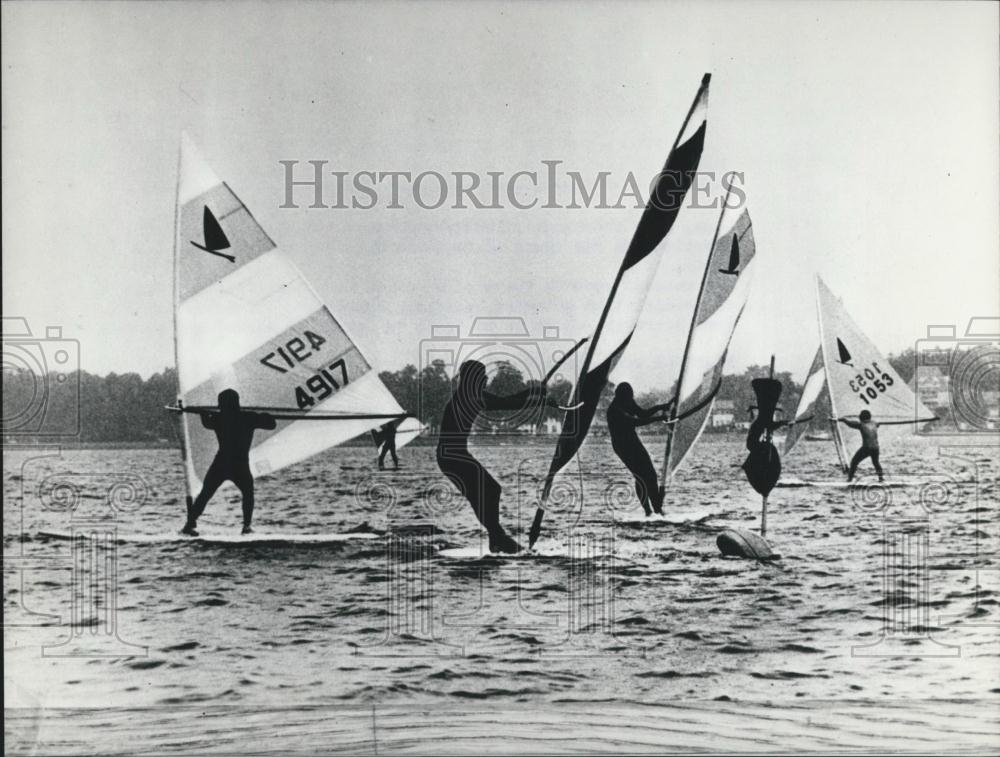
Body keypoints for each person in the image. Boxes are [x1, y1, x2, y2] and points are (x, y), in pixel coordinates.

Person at [437, 360, 554, 553]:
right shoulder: (468, 397)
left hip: (455, 455)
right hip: (452, 457)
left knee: (485, 493)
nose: (485, 379)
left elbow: (508, 403)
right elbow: (506, 403)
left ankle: (496, 536)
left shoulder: (471, 395)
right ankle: (496, 536)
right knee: (490, 490)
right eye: (481, 377)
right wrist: (532, 392)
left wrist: (535, 395)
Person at [182, 389, 277, 536]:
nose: (219, 406)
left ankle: (190, 524)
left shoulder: (219, 418)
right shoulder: (248, 417)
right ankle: (246, 527)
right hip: (239, 464)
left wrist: (202, 413)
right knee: (248, 494)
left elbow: (206, 423)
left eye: (220, 403)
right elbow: (272, 424)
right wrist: (266, 416)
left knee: (205, 494)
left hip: (222, 463)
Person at [606, 382, 674, 517]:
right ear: (621, 396)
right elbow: (634, 421)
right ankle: (648, 511)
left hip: (633, 441)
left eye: (631, 397)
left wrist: (662, 407)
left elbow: (642, 414)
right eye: (628, 397)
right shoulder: (614, 410)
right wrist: (659, 418)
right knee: (640, 477)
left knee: (651, 475)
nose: (631, 400)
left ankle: (656, 508)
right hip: (622, 446)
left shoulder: (628, 402)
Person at [834, 409, 883, 482]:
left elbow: (850, 423)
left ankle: (849, 479)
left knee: (854, 462)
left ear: (862, 417)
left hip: (867, 448)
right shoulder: (875, 423)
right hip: (876, 448)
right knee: (876, 462)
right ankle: (881, 478)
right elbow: (877, 425)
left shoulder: (861, 424)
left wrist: (844, 420)